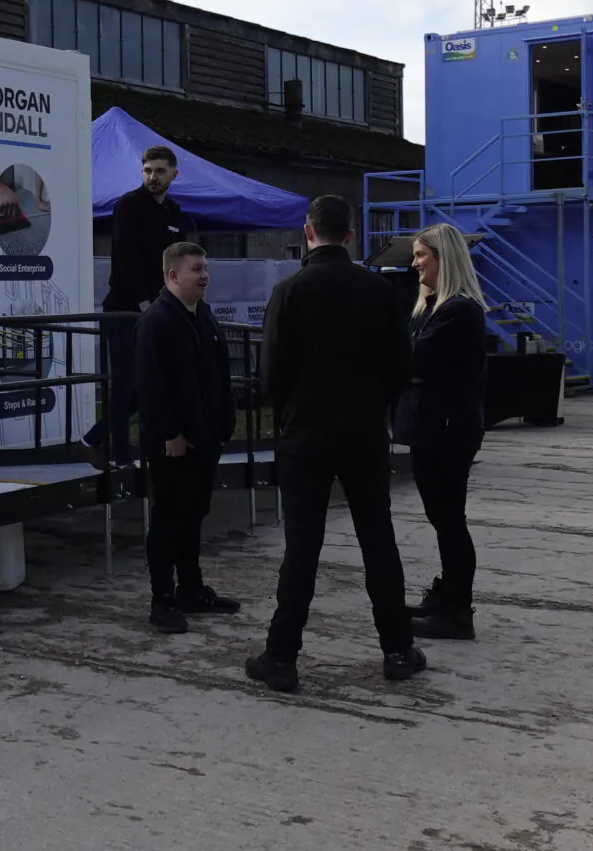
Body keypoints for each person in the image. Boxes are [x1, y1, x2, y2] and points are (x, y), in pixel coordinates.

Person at [245, 195, 419, 692]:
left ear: (307, 233)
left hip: (305, 436)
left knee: (302, 547)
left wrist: (293, 416)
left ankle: (282, 656)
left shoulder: (289, 290)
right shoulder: (380, 291)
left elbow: (271, 372)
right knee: (378, 541)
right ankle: (397, 649)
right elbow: (400, 370)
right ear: (351, 236)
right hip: (364, 433)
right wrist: (373, 407)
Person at [135, 242, 240, 632]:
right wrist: (171, 434)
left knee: (193, 517)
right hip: (173, 446)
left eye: (206, 268)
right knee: (167, 520)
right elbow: (151, 387)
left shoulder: (203, 316)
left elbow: (219, 376)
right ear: (173, 275)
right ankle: (162, 600)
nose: (205, 275)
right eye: (196, 269)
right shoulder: (157, 321)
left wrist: (223, 424)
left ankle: (191, 590)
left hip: (205, 441)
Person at [394, 224, 488, 641]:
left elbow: (412, 363)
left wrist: (409, 371)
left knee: (449, 520)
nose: (414, 263)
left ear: (442, 258)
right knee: (442, 518)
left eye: (421, 256)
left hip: (446, 430)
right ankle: (447, 593)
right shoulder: (430, 307)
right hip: (431, 426)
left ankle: (456, 610)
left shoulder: (458, 310)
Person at [88, 145, 193, 466]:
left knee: (148, 386)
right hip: (124, 308)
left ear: (174, 174)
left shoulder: (175, 214)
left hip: (160, 309)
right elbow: (126, 262)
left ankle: (90, 440)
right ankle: (121, 458)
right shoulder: (128, 206)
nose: (153, 177)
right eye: (147, 170)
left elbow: (180, 262)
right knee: (124, 383)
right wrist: (148, 305)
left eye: (160, 171)